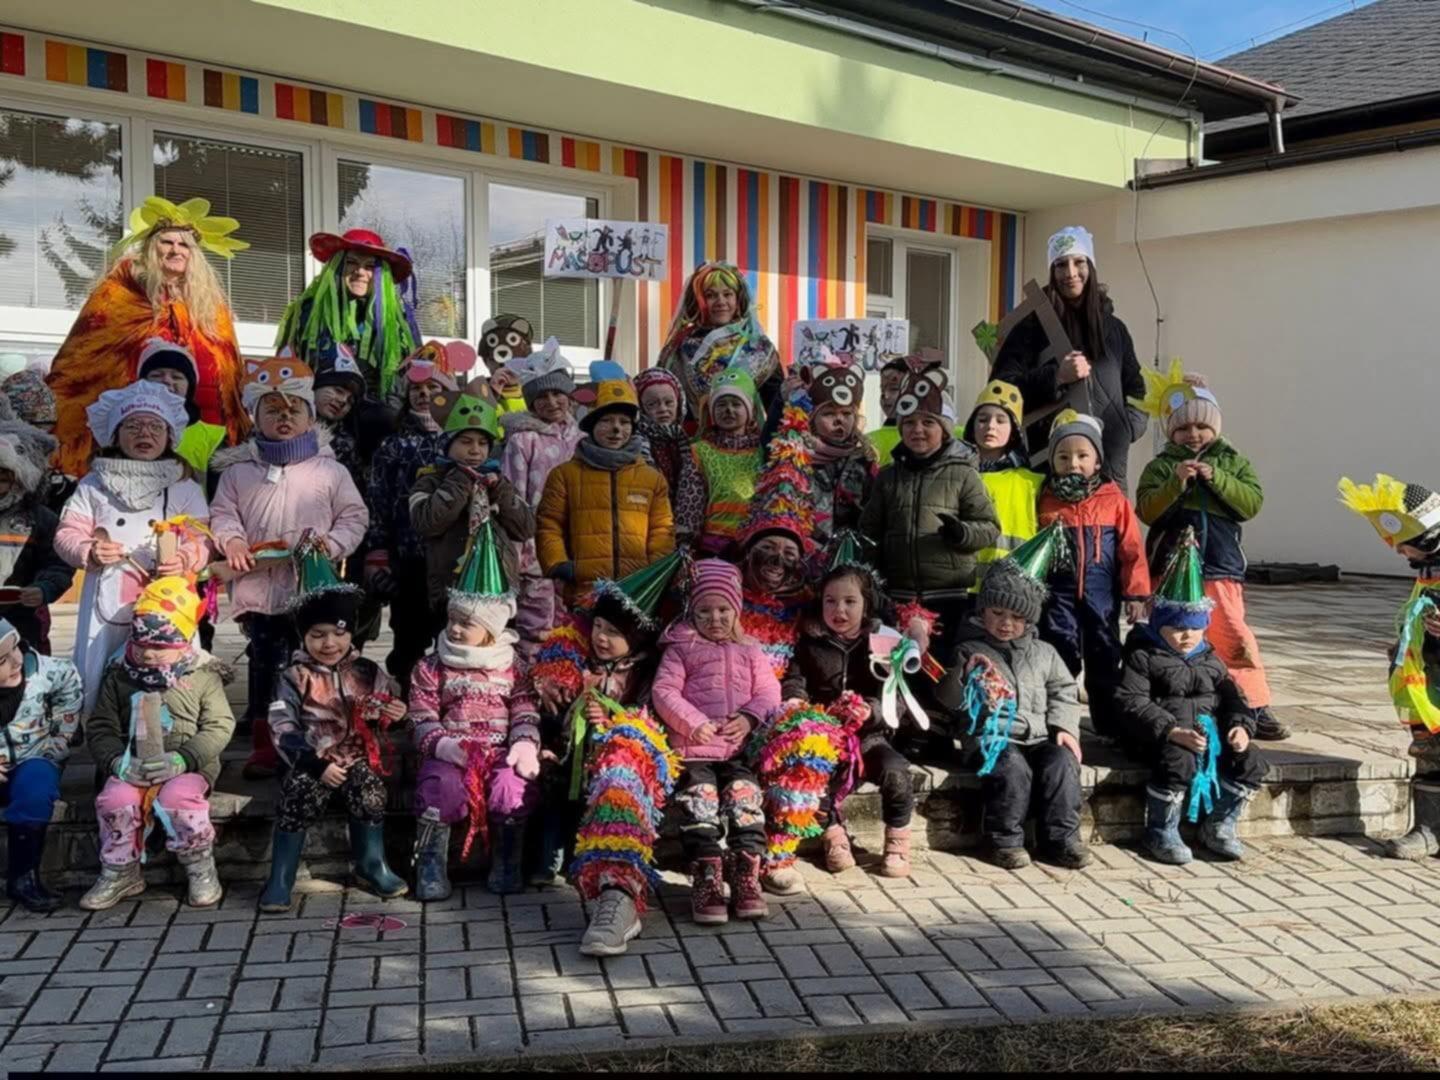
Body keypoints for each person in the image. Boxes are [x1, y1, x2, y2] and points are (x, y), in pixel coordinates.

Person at [209, 360, 369, 780]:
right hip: (261, 589)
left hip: (312, 587)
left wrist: (331, 545)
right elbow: (223, 514)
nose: (284, 418)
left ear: (310, 416)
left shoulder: (330, 470)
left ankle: (319, 736)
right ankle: (267, 744)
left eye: (294, 410)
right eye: (273, 410)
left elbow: (354, 517)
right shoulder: (238, 472)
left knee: (314, 663)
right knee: (266, 663)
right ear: (255, 416)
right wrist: (233, 541)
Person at [528, 551, 684, 953]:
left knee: (620, 772)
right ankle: (560, 861)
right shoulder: (576, 661)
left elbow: (650, 719)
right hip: (572, 758)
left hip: (622, 757)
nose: (601, 637)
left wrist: (612, 717)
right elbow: (550, 704)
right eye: (598, 626)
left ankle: (619, 894)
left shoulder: (645, 672)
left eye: (613, 632)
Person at [1134, 362, 1286, 741]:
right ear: (1171, 431)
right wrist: (1175, 483)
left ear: (1215, 427)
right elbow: (1147, 510)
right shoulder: (1161, 466)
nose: (1193, 434)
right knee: (1173, 633)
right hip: (1171, 571)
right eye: (1183, 428)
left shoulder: (1233, 461)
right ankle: (1172, 700)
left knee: (1232, 634)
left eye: (1201, 426)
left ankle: (1251, 704)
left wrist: (1217, 479)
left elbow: (1251, 504)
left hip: (1220, 568)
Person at [47, 196, 250, 477]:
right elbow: (79, 366)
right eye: (167, 242)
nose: (175, 250)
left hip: (206, 437)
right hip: (136, 436)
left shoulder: (212, 308)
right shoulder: (119, 295)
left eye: (184, 245)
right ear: (151, 248)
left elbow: (231, 376)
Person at [257, 544, 408, 911]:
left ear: (351, 632)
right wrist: (315, 763)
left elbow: (384, 706)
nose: (329, 643)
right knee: (298, 796)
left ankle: (372, 864)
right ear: (303, 636)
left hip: (356, 757)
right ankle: (281, 876)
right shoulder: (294, 676)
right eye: (317, 634)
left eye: (338, 633)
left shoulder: (366, 671)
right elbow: (282, 728)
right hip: (311, 759)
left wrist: (396, 711)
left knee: (370, 792)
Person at [761, 559, 917, 895]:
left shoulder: (882, 642)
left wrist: (870, 712)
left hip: (869, 737)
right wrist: (797, 703)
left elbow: (897, 697)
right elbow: (795, 680)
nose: (839, 610)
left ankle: (897, 841)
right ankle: (833, 836)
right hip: (825, 737)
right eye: (830, 601)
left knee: (897, 773)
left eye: (850, 602)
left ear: (866, 605)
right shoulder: (809, 641)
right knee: (811, 779)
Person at [55, 381, 210, 712]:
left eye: (155, 426)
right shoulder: (93, 485)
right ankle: (102, 729)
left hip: (168, 597)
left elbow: (202, 536)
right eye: (133, 425)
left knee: (168, 663)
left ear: (170, 435)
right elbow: (67, 533)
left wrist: (186, 558)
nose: (145, 433)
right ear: (114, 434)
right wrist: (88, 550)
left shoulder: (184, 485)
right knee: (102, 672)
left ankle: (175, 726)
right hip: (108, 596)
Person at [1113, 529, 1266, 864]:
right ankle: (1161, 829)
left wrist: (1240, 727)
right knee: (1178, 760)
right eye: (1178, 629)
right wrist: (1171, 730)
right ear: (1160, 627)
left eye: (1195, 629)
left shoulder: (1211, 660)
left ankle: (1220, 823)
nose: (1187, 636)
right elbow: (1131, 701)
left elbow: (1234, 698)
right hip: (1158, 735)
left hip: (1207, 735)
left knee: (1250, 760)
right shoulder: (1143, 656)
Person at [942, 522, 1089, 870]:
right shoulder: (969, 650)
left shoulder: (1045, 653)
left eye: (1017, 617)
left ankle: (1061, 839)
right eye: (997, 613)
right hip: (991, 738)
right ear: (983, 611)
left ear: (1030, 620)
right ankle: (1003, 839)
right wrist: (962, 674)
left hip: (1038, 735)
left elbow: (1064, 691)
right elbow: (948, 699)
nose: (1006, 623)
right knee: (1010, 767)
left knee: (1061, 764)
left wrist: (1064, 728)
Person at [81, 577, 234, 910]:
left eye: (160, 646)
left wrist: (184, 759)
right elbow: (102, 727)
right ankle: (120, 870)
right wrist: (117, 762)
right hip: (132, 763)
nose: (148, 653)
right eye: (140, 644)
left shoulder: (203, 675)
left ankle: (200, 867)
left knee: (179, 798)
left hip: (187, 765)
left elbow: (219, 726)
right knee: (116, 799)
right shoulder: (119, 675)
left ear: (183, 642)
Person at [408, 523, 541, 900]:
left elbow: (525, 708)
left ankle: (507, 861)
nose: (454, 629)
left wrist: (524, 743)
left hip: (499, 750)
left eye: (466, 623)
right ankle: (431, 863)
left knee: (511, 787)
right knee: (442, 787)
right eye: (452, 619)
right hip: (453, 750)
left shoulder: (513, 666)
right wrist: (441, 745)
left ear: (491, 630)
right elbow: (421, 714)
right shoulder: (433, 666)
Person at [652, 559, 781, 924]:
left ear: (736, 610)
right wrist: (693, 722)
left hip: (736, 750)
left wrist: (749, 717)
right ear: (692, 613)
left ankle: (745, 874)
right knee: (701, 802)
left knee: (745, 798)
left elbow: (770, 691)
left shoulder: (750, 650)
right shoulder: (681, 648)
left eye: (724, 610)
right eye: (704, 611)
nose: (715, 619)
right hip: (694, 750)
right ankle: (706, 875)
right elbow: (664, 691)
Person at [858, 364, 999, 656]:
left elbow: (989, 527)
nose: (918, 430)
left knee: (941, 668)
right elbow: (868, 534)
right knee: (900, 666)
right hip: (896, 595)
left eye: (928, 423)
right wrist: (871, 582)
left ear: (944, 430)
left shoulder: (963, 474)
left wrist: (962, 533)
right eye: (909, 423)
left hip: (949, 598)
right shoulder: (888, 477)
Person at [992, 226, 1146, 491]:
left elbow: (1137, 390)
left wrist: (1126, 430)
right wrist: (1056, 377)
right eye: (1060, 265)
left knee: (1106, 520)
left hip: (1108, 468)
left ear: (1091, 266)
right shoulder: (1030, 328)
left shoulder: (1115, 330)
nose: (1070, 273)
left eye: (1079, 262)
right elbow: (1000, 390)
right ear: (1052, 272)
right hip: (1048, 467)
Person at [1336, 475, 1440, 859]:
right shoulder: (1428, 571)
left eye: (1403, 544)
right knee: (1428, 749)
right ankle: (1429, 829)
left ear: (1427, 539)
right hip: (1427, 677)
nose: (1398, 551)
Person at [407, 378, 534, 686]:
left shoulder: (499, 483)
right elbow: (427, 521)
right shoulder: (430, 480)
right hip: (450, 588)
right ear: (448, 445)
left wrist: (501, 490)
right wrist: (460, 481)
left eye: (482, 443)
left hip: (496, 589)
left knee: (493, 655)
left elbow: (525, 527)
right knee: (452, 654)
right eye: (465, 442)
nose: (475, 450)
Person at [1036, 410, 1149, 736]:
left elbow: (1132, 549)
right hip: (1058, 594)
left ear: (1097, 461)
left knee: (1104, 652)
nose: (1073, 463)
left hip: (1102, 595)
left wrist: (1136, 593)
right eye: (1063, 456)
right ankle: (1058, 720)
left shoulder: (1113, 500)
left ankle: (1108, 723)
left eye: (1082, 456)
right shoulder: (1045, 499)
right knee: (1060, 651)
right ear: (1052, 461)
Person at [536, 367, 675, 607]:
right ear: (591, 426)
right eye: (606, 420)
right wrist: (559, 563)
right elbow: (549, 524)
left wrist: (653, 573)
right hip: (584, 590)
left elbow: (662, 530)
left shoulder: (652, 479)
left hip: (636, 592)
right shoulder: (564, 475)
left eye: (624, 422)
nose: (616, 429)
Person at [274, 229, 421, 420]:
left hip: (376, 423)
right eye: (351, 262)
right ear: (337, 266)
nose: (360, 272)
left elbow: (412, 377)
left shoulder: (398, 322)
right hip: (315, 416)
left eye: (370, 266)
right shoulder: (307, 312)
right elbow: (285, 368)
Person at [501, 338, 583, 661]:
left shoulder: (583, 440)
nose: (551, 402)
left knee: (571, 623)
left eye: (557, 393)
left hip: (576, 547)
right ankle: (532, 681)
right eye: (542, 396)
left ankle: (564, 679)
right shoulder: (523, 441)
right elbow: (513, 499)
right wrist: (517, 555)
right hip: (535, 551)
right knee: (535, 625)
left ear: (569, 395)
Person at [0, 620, 84, 912]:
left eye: (16, 648)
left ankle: (24, 877)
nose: (15, 662)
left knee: (36, 789)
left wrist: (59, 741)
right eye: (2, 660)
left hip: (32, 759)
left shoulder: (46, 672)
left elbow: (69, 688)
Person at [658, 262, 781, 423]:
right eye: (710, 295)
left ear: (738, 299)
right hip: (690, 436)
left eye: (727, 294)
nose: (720, 301)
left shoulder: (759, 348)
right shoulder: (677, 349)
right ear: (698, 300)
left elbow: (776, 407)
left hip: (747, 437)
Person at [0, 423, 72, 654]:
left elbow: (58, 563)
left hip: (23, 616)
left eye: (3, 478)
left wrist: (44, 588)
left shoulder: (40, 519)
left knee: (24, 667)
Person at [964, 380, 1044, 588]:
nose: (991, 426)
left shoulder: (1031, 483)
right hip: (960, 588)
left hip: (1012, 590)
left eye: (1001, 420)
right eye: (983, 419)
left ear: (1014, 430)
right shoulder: (956, 475)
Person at [680, 368, 764, 557]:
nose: (729, 410)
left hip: (755, 544)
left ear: (750, 411)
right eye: (721, 405)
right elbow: (690, 501)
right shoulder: (699, 451)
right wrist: (687, 543)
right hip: (712, 546)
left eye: (736, 404)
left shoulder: (764, 451)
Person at [804, 359, 877, 555]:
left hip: (852, 557)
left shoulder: (865, 461)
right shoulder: (797, 459)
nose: (839, 420)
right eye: (829, 414)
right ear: (813, 419)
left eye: (846, 413)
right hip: (807, 556)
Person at [136, 338, 229, 479]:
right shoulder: (122, 430)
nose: (167, 381)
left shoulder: (213, 438)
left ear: (189, 387)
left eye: (177, 377)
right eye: (157, 375)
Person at [634, 367, 696, 526]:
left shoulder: (687, 441)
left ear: (679, 403)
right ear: (641, 408)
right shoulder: (634, 445)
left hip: (684, 522)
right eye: (652, 404)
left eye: (669, 402)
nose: (662, 409)